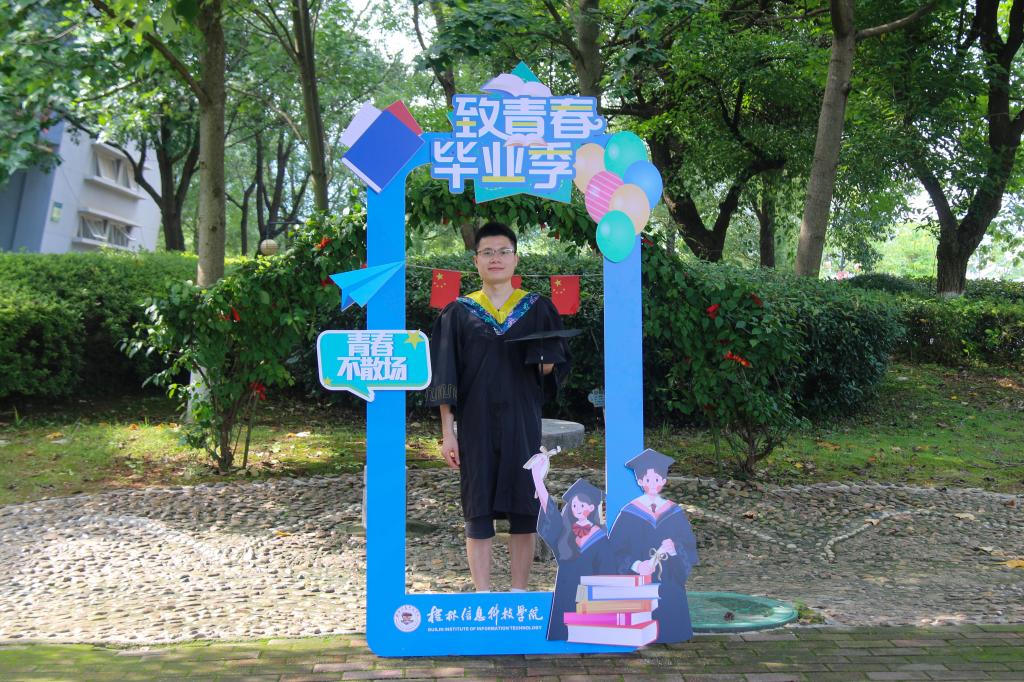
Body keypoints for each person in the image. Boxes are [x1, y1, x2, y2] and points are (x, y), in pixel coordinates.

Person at [426, 222, 570, 592]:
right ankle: (482, 595)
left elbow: (551, 371)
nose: (496, 259)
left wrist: (547, 362)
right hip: (475, 424)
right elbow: (446, 375)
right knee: (477, 508)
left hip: (522, 421)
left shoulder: (537, 308)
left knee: (524, 506)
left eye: (503, 252)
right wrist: (447, 434)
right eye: (487, 252)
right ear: (476, 261)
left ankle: (518, 592)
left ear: (515, 259)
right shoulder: (458, 312)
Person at [608, 448, 698, 643]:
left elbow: (688, 544)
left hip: (669, 581)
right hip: (639, 582)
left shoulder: (673, 511)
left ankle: (671, 631)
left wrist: (674, 549)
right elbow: (614, 549)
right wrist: (636, 565)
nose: (653, 483)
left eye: (657, 479)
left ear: (663, 481)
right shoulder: (629, 512)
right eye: (648, 479)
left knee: (669, 609)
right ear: (640, 481)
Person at [529, 455, 616, 640]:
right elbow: (550, 510)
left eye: (582, 505)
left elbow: (608, 568)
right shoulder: (565, 533)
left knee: (587, 634)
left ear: (591, 508)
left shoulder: (601, 536)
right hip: (565, 589)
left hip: (589, 594)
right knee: (563, 632)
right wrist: (538, 480)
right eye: (574, 504)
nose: (577, 508)